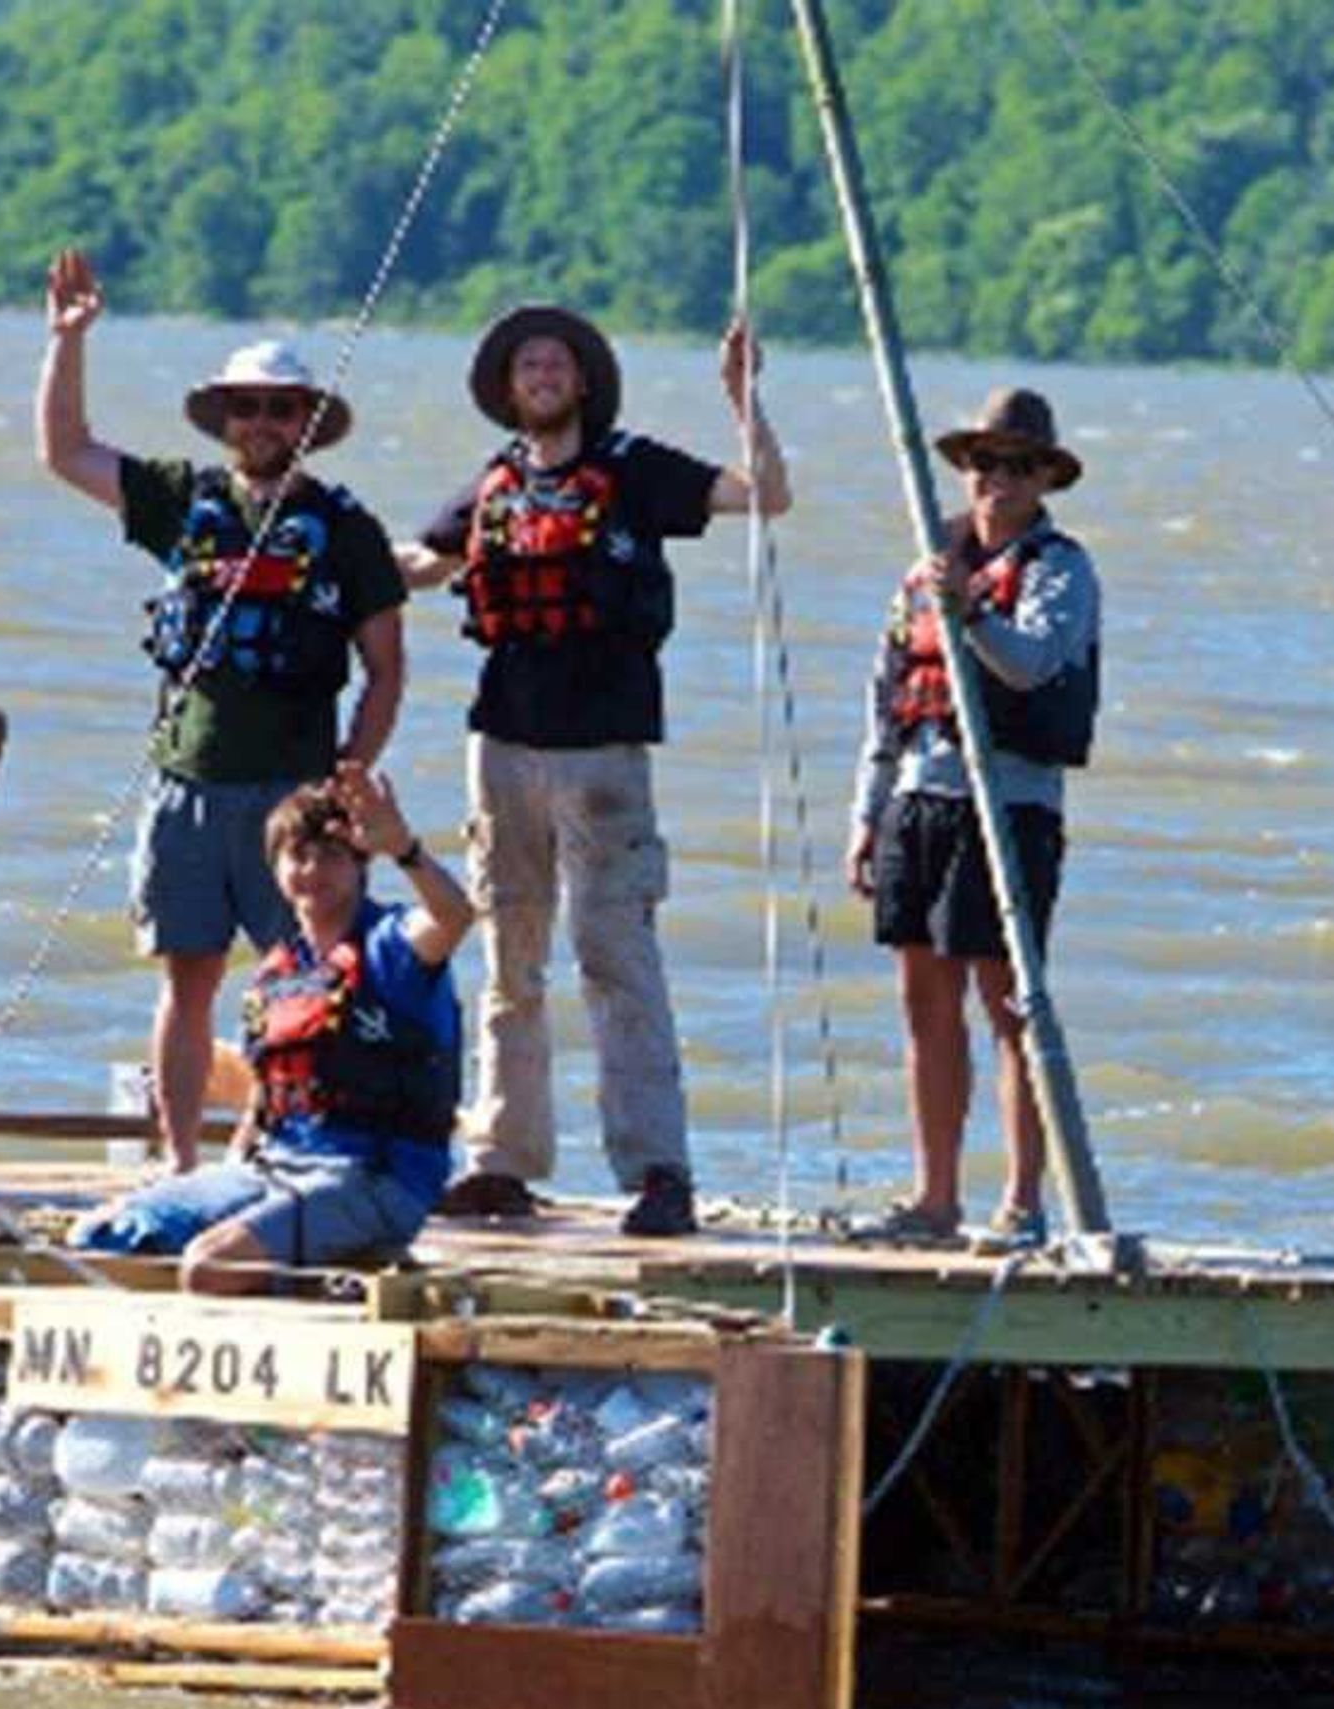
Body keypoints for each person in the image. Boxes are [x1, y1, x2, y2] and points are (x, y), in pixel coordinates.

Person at [392, 305, 789, 1238]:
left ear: (581, 383)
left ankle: (657, 1170)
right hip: (502, 747)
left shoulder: (635, 469)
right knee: (509, 961)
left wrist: (745, 400)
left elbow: (765, 495)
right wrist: (332, 549)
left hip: (605, 752)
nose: (540, 371)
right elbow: (420, 563)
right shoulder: (489, 489)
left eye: (555, 361)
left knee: (618, 959)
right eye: (526, 361)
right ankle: (500, 1162)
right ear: (506, 387)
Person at [37, 248, 408, 1173]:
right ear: (225, 418)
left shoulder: (347, 529)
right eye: (247, 406)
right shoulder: (183, 500)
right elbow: (65, 450)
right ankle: (179, 1158)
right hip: (186, 785)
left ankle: (274, 1144)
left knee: (305, 975)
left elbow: (387, 667)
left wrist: (346, 780)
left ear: (307, 425)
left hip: (291, 790)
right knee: (188, 978)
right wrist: (69, 342)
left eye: (282, 407)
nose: (262, 421)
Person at [845, 388, 1102, 1253]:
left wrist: (973, 608)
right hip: (923, 797)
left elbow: (1031, 665)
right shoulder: (926, 568)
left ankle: (1022, 1201)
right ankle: (934, 1196)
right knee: (924, 999)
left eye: (1019, 465)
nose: (999, 479)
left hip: (1010, 803)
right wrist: (868, 816)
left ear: (1044, 479)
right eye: (986, 462)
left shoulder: (1063, 570)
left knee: (1008, 1002)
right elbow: (887, 703)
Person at [71, 764, 473, 1292]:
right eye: (298, 856)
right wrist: (224, 1175)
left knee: (210, 1266)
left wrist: (406, 850)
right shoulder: (277, 974)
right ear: (276, 870)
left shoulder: (392, 944)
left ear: (360, 865)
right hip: (274, 1167)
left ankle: (331, 1275)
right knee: (100, 1238)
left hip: (374, 1178)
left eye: (330, 856)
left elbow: (455, 917)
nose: (313, 870)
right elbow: (265, 1100)